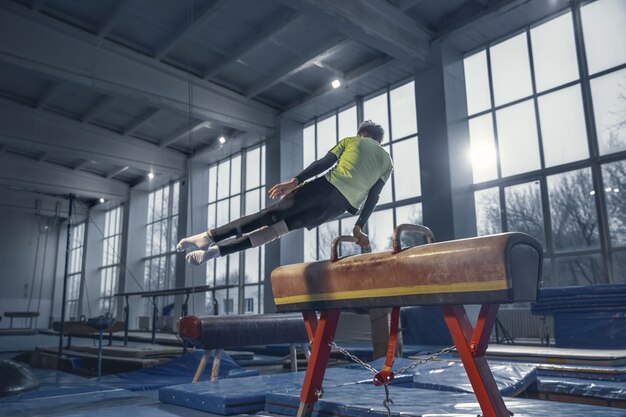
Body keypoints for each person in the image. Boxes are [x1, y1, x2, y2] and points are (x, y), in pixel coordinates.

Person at [178, 120, 393, 265]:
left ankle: (209, 237)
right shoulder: (387, 162)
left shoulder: (352, 141)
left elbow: (324, 163)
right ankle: (215, 252)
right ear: (378, 140)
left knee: (269, 215)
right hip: (336, 208)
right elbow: (374, 197)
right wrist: (358, 226)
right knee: (276, 231)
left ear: (363, 134)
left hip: (325, 187)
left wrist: (295, 181)